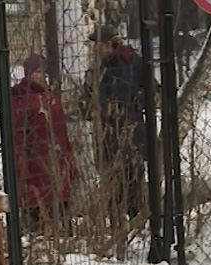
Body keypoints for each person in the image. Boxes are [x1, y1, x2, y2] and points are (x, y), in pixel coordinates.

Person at [81, 25, 148, 238]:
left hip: (124, 130)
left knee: (126, 179)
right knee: (121, 179)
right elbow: (87, 101)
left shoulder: (127, 63)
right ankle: (126, 224)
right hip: (115, 132)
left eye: (97, 46)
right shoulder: (101, 68)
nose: (93, 51)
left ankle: (130, 223)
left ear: (108, 45)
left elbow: (136, 93)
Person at [11, 54, 78, 234]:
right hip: (35, 163)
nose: (41, 76)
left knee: (61, 207)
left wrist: (69, 158)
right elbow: (18, 134)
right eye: (36, 72)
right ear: (28, 73)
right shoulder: (20, 98)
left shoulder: (49, 96)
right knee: (38, 206)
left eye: (43, 72)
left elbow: (61, 131)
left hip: (57, 160)